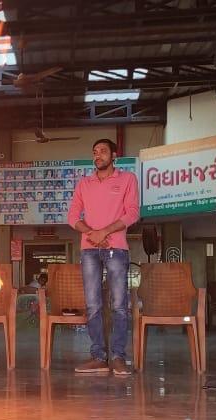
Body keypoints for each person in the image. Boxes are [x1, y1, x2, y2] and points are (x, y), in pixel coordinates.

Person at [66, 138, 140, 376]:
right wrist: (91, 233)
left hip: (116, 247)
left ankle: (118, 357)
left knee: (119, 305)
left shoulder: (127, 179)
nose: (98, 155)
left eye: (103, 152)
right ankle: (98, 356)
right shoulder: (84, 184)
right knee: (93, 304)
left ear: (114, 155)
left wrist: (104, 232)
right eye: (95, 152)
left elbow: (133, 213)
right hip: (89, 250)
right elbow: (72, 216)